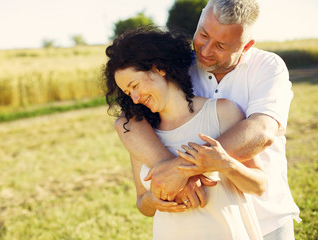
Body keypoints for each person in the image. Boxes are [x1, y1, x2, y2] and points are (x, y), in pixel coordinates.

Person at [113, 0, 301, 239]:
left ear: (246, 45)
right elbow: (129, 120)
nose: (205, 50)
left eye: (221, 45)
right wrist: (167, 171)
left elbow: (262, 132)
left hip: (266, 214)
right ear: (201, 18)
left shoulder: (267, 67)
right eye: (203, 34)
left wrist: (182, 171)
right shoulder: (179, 66)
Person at [104, 27, 267, 239]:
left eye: (135, 85)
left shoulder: (222, 112)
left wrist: (226, 164)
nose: (134, 98)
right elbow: (142, 203)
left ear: (158, 68)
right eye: (128, 92)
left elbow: (259, 185)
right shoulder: (139, 134)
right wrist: (154, 199)